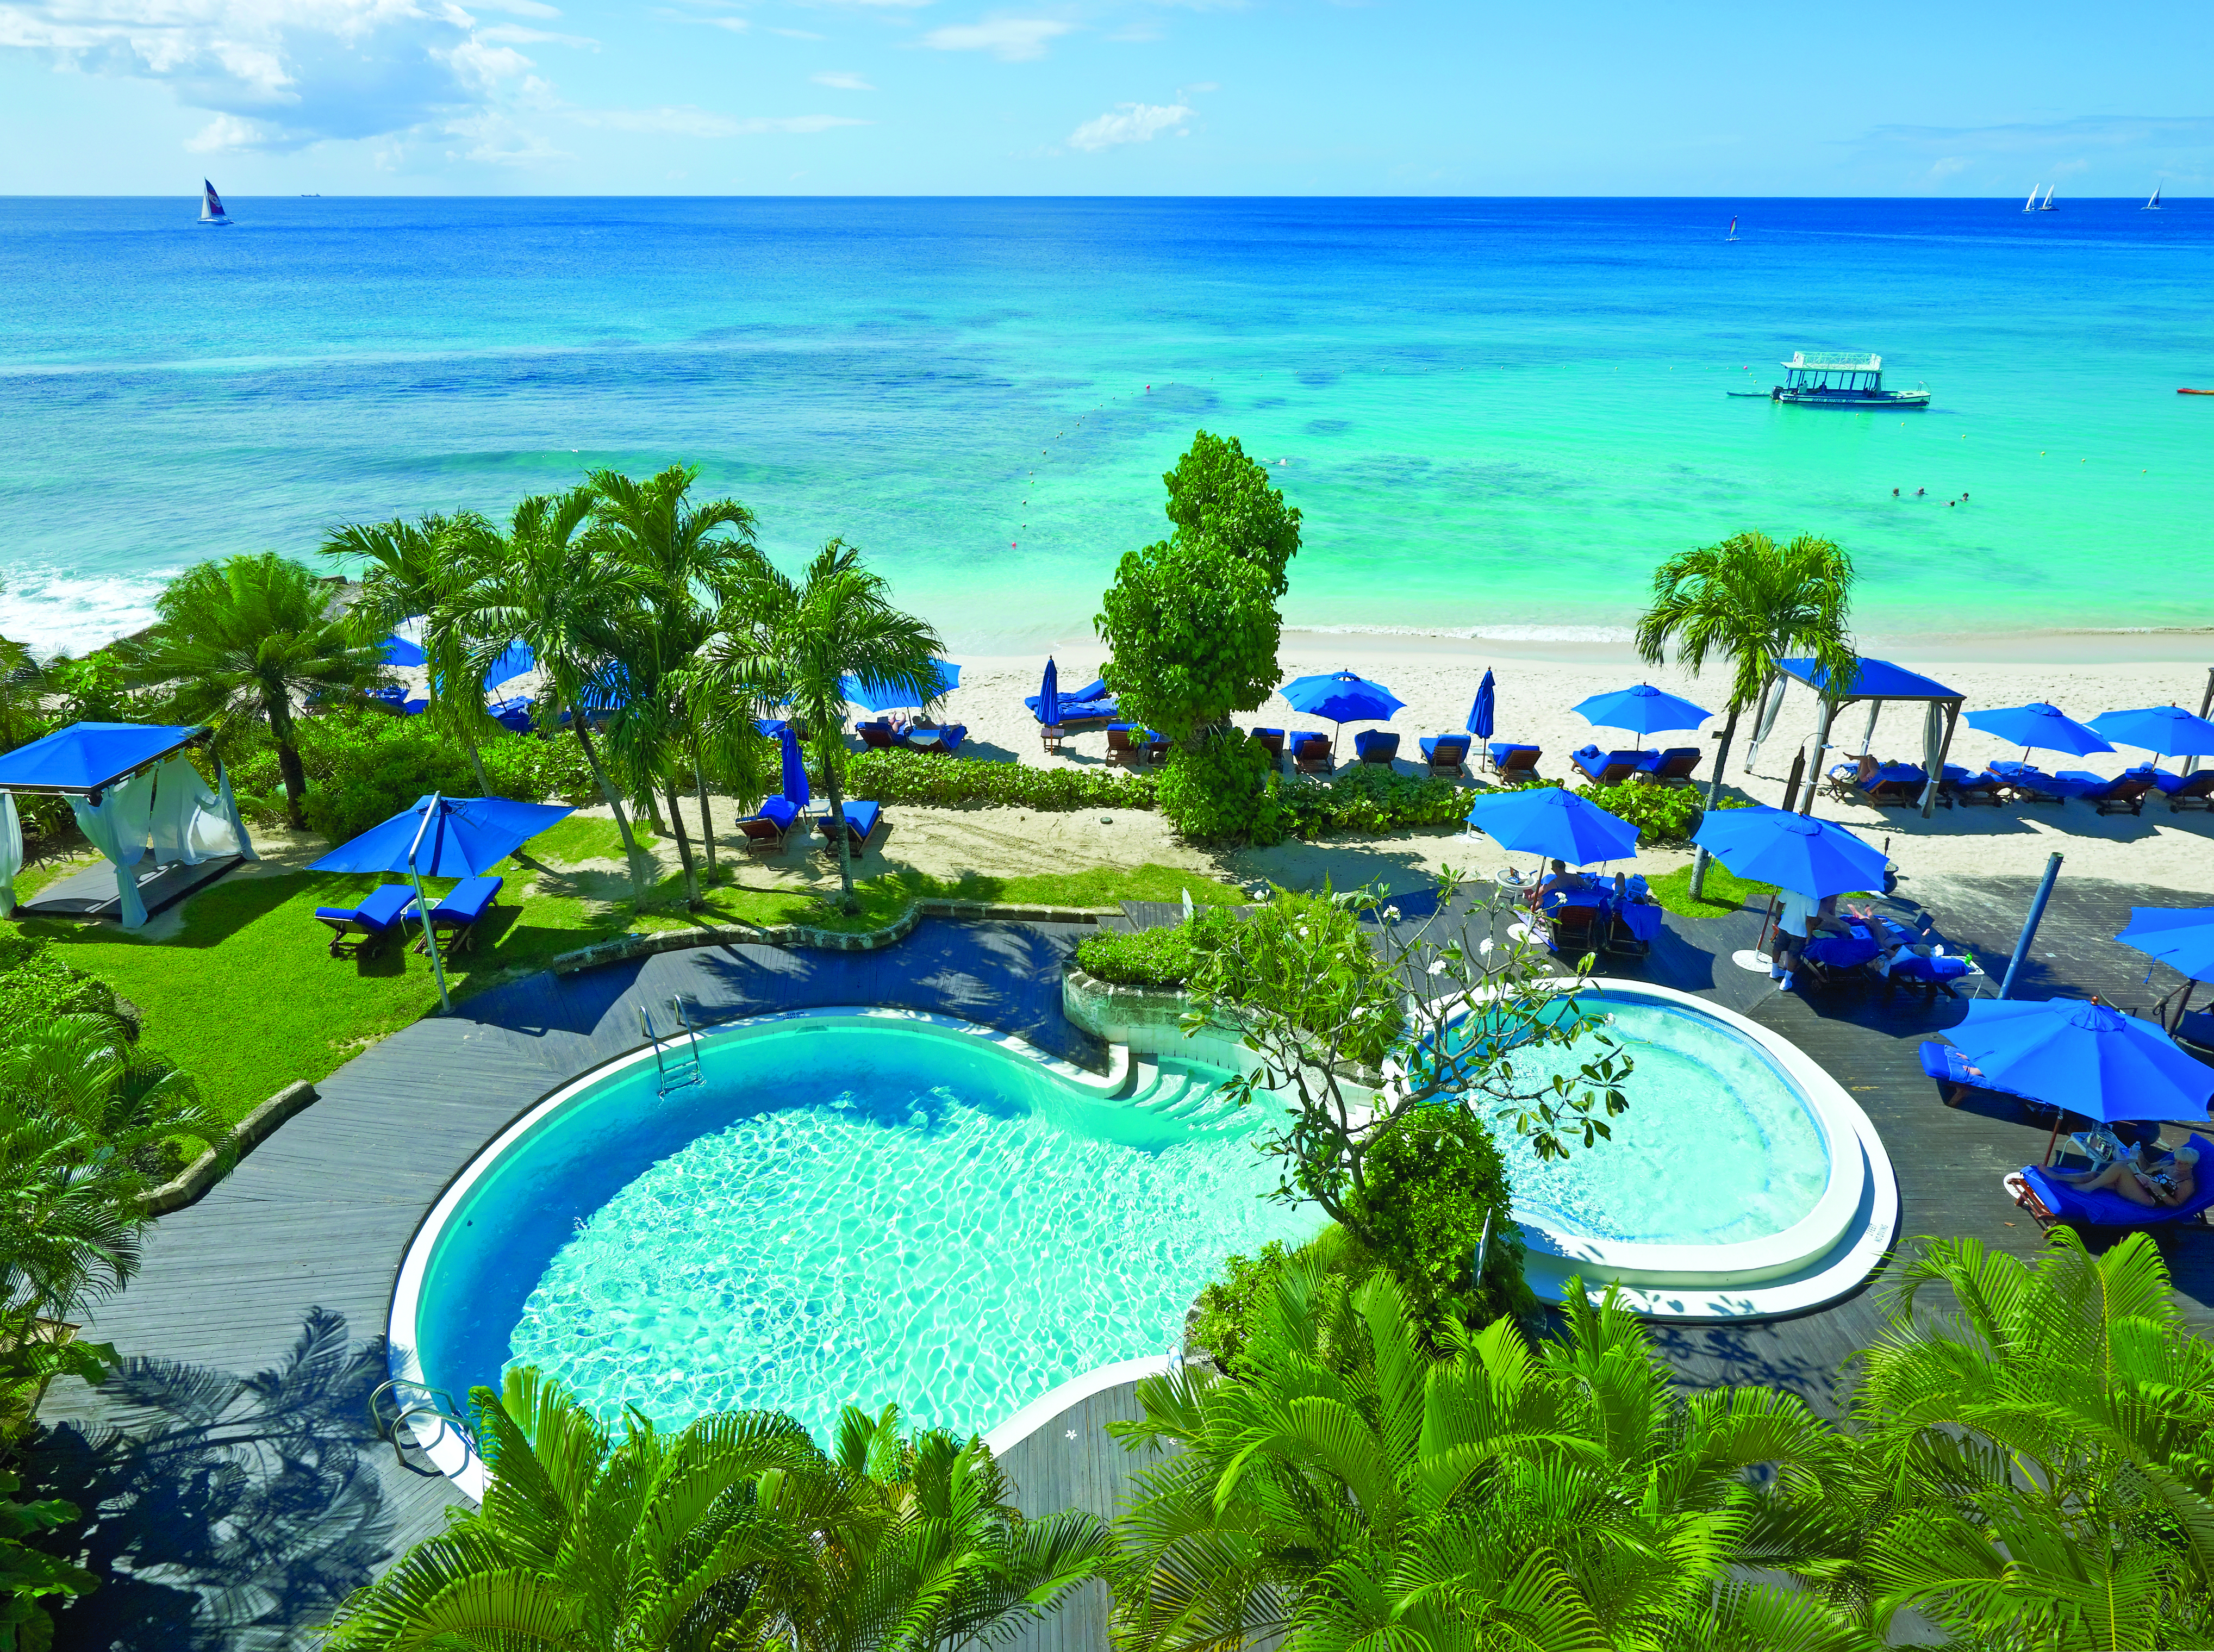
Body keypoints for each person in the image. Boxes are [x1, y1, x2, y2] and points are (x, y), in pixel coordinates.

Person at [2058, 1144, 2198, 1208]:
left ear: (2191, 1164)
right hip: (2141, 1186)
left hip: (2151, 1199)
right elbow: (2148, 1168)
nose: (2178, 1164)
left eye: (2183, 1163)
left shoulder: (2187, 1183)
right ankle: (2056, 1177)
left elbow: (2177, 1205)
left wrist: (2159, 1190)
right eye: (2177, 1160)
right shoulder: (2169, 1164)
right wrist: (2140, 1156)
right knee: (2095, 1174)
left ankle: (2087, 1189)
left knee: (2121, 1168)